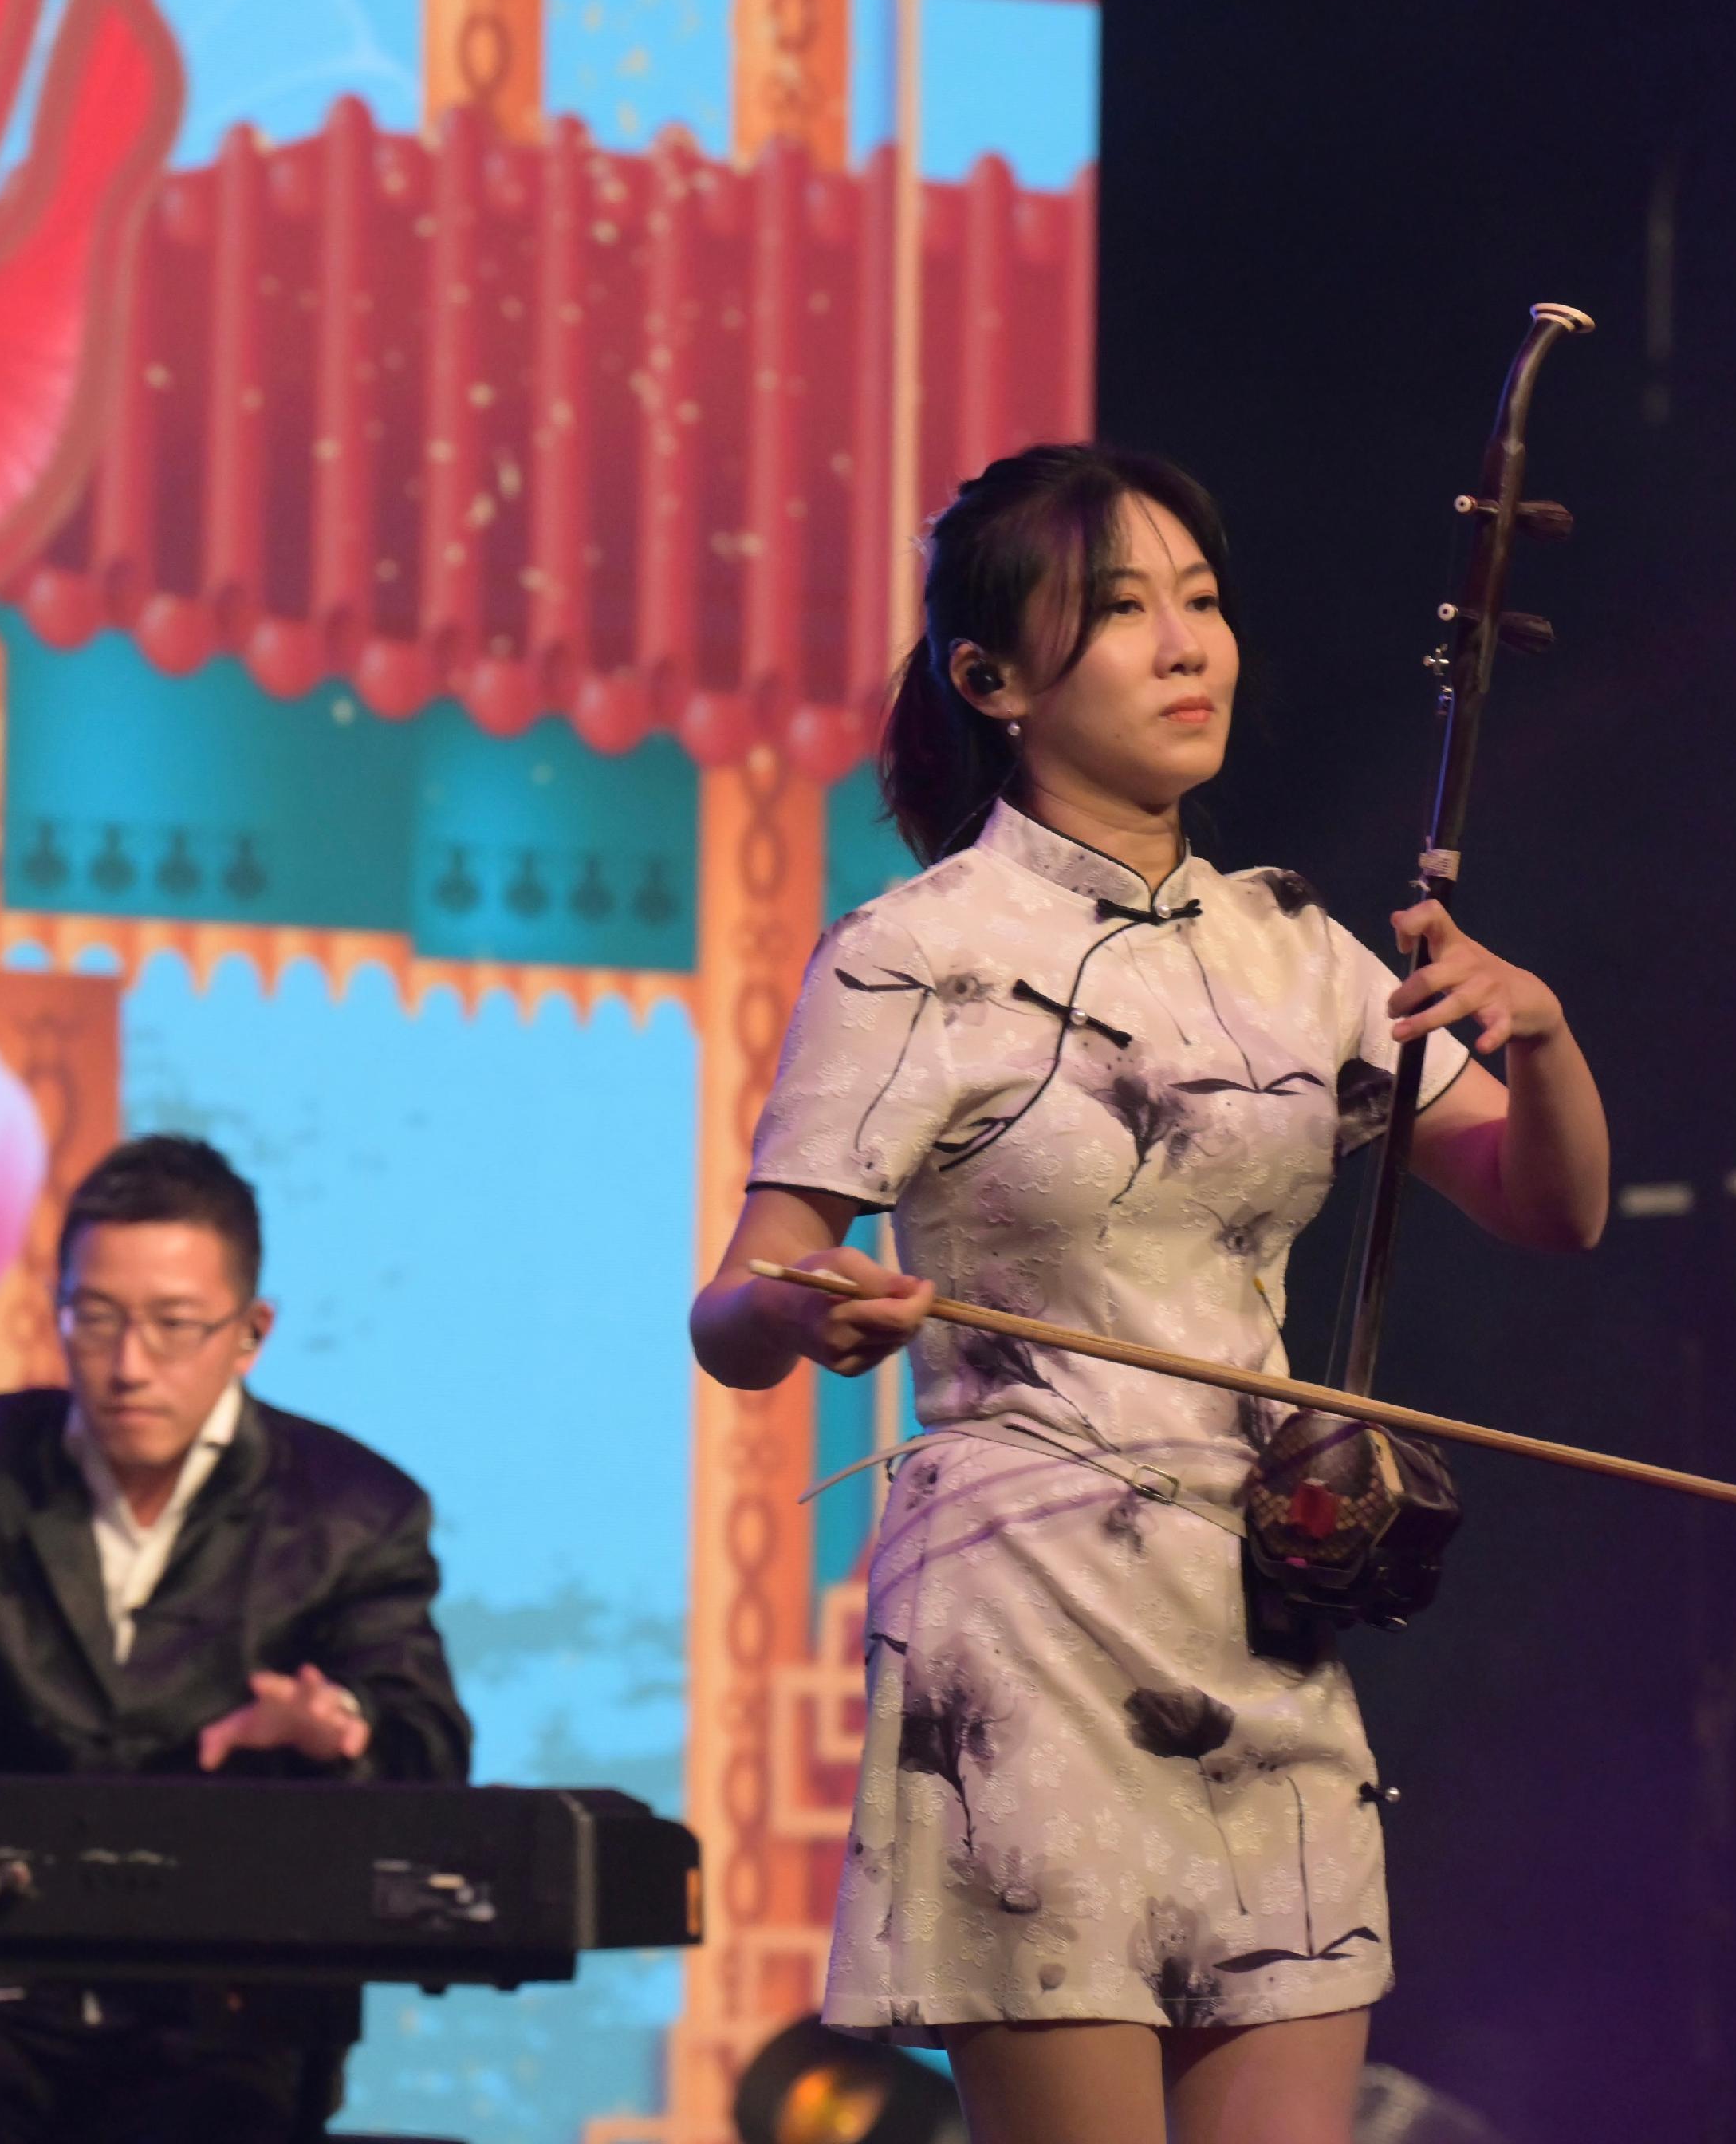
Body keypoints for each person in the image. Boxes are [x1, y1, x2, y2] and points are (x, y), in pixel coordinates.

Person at [689, 447, 1612, 2144]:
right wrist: (809, 1306)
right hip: (1022, 1628)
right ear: (992, 680)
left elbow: (1546, 1209)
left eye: (1199, 601)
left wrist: (1534, 1038)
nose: (1187, 645)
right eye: (1120, 612)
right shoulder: (915, 950)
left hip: (1259, 1612)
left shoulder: (1296, 951)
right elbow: (732, 1313)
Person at [0, 1133, 469, 2144]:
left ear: (250, 1332)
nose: (126, 1366)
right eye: (96, 1318)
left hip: (220, 2007)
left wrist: (343, 1728)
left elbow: (430, 1747)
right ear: (56, 1307)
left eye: (172, 1326)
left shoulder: (353, 1510)